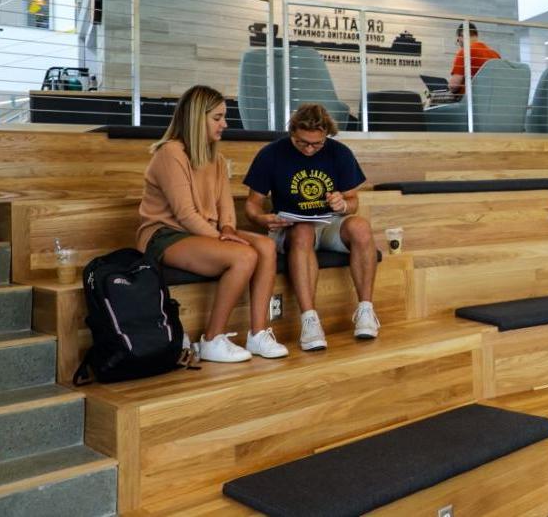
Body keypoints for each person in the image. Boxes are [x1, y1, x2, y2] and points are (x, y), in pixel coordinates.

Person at [137, 85, 287, 363]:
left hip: (204, 231)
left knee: (265, 246)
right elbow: (184, 214)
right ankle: (212, 339)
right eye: (217, 118)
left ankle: (258, 333)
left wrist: (228, 229)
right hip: (166, 235)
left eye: (223, 117)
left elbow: (225, 204)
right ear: (196, 118)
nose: (224, 124)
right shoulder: (170, 153)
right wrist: (222, 238)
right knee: (243, 256)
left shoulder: (215, 158)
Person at [244, 103, 380, 350]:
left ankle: (366, 311)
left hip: (328, 222)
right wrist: (264, 219)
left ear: (326, 135)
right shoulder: (271, 153)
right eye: (301, 142)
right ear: (292, 133)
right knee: (303, 231)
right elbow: (252, 206)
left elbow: (354, 203)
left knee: (360, 227)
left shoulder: (339, 153)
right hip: (289, 226)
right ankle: (310, 320)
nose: (308, 149)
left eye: (316, 144)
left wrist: (342, 204)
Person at [448, 22, 501, 96]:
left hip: (470, 101)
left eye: (457, 41)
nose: (459, 44)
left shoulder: (465, 51)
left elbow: (454, 86)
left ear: (460, 37)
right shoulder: (495, 55)